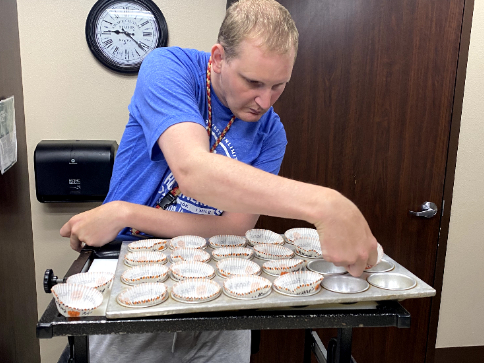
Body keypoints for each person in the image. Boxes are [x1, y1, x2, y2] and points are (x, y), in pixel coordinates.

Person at [61, 0, 379, 362]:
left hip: (220, 276)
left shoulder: (271, 133)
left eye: (279, 86)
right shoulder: (169, 68)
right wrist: (327, 205)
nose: (264, 101)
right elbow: (193, 171)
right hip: (131, 266)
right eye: (253, 82)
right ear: (218, 58)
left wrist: (124, 213)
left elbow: (232, 227)